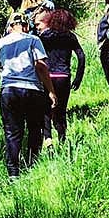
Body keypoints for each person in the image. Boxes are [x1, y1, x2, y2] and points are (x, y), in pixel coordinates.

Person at [0, 13, 58, 179]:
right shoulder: (34, 40)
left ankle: (13, 174)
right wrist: (51, 90)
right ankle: (32, 166)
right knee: (35, 129)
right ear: (26, 26)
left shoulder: (0, 43)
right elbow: (40, 66)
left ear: (10, 27)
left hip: (9, 91)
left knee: (12, 132)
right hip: (33, 91)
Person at [34, 9, 85, 144]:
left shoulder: (44, 37)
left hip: (47, 77)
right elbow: (81, 56)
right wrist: (78, 77)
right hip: (63, 77)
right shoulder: (70, 37)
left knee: (46, 109)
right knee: (61, 111)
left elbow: (37, 58)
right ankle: (62, 139)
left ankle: (48, 138)